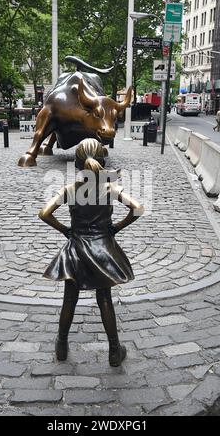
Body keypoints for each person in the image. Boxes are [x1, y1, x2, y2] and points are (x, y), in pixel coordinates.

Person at [39, 138, 144, 367]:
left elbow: (44, 213)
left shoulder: (70, 189)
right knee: (104, 298)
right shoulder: (110, 187)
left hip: (76, 249)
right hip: (103, 249)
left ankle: (62, 346)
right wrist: (116, 227)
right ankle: (115, 351)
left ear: (77, 164)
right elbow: (137, 209)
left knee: (69, 298)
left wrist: (66, 231)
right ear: (102, 160)